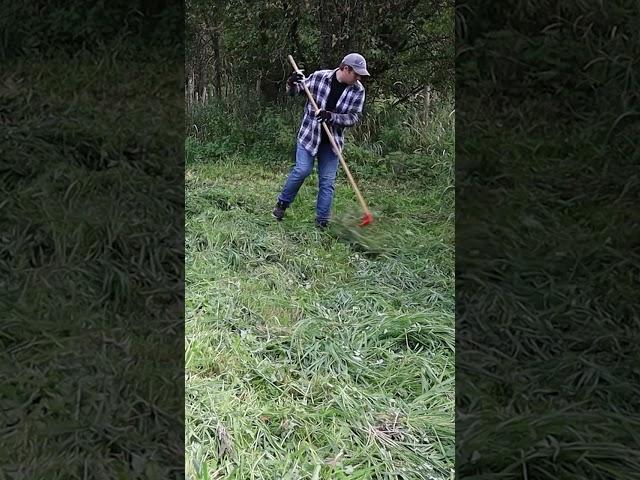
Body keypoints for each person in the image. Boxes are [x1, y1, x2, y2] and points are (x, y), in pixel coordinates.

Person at [273, 53, 369, 228]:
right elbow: (295, 92)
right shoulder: (320, 77)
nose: (359, 78)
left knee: (327, 182)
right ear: (345, 68)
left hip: (332, 142)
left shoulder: (358, 90)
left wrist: (330, 117)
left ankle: (322, 223)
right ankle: (282, 204)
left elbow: (354, 118)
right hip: (309, 136)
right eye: (356, 74)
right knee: (302, 170)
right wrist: (292, 82)